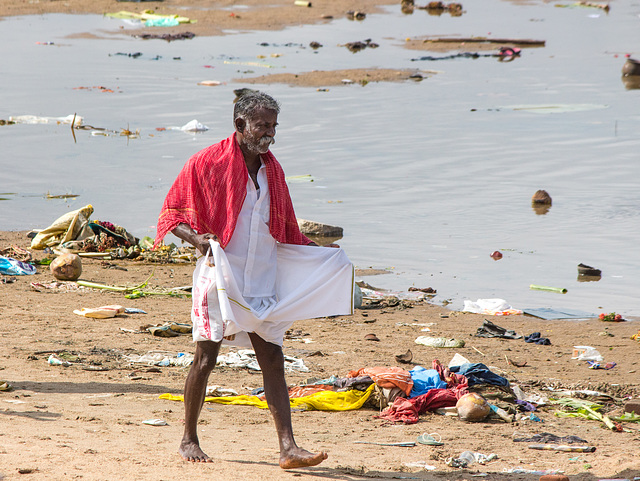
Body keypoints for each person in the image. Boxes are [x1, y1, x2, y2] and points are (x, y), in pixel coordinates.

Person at [154, 92, 354, 469]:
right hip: (220, 275)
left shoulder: (272, 170)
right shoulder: (206, 162)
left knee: (273, 357)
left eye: (274, 126)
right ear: (239, 126)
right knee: (205, 357)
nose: (270, 135)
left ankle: (288, 448)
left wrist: (325, 259)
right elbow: (172, 212)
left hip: (262, 276)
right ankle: (188, 438)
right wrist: (198, 239)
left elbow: (286, 228)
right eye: (263, 126)